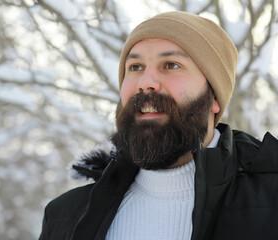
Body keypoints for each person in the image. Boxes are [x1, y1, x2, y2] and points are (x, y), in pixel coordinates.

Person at [38, 11, 278, 240]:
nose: (146, 83)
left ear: (214, 97)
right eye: (135, 67)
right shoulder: (65, 216)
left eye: (171, 65)